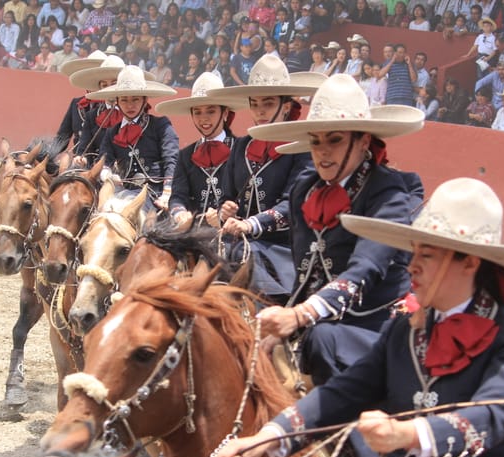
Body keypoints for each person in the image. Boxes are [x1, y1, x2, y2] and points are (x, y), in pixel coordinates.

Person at [207, 176, 504, 457]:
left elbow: (494, 415)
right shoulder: (402, 331)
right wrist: (270, 435)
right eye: (414, 252)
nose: (411, 267)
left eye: (427, 255)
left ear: (469, 262)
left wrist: (409, 434)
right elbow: (345, 392)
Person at [242, 73, 425, 393]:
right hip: (314, 324)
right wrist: (287, 321)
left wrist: (300, 316)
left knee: (323, 340)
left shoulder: (390, 193)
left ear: (363, 141)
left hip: (373, 324)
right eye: (316, 140)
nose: (322, 151)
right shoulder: (305, 189)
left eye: (335, 139)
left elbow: (365, 269)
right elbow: (306, 272)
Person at [204, 54, 324, 304]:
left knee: (249, 261)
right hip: (237, 240)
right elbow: (227, 194)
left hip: (282, 248)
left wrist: (251, 224)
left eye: (267, 104)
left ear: (287, 106)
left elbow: (293, 203)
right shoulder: (242, 145)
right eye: (255, 104)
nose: (259, 111)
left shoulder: (302, 148)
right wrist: (225, 210)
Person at [155, 72, 248, 227]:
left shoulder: (242, 150)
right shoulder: (185, 155)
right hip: (194, 231)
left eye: (210, 111)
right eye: (197, 112)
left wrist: (228, 214)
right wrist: (180, 213)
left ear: (225, 113)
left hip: (231, 229)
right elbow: (178, 196)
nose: (203, 118)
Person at [88, 65, 179, 210]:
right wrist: (107, 174)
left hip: (156, 194)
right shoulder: (112, 132)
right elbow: (104, 161)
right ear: (117, 101)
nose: (130, 105)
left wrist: (168, 191)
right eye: (124, 100)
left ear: (145, 100)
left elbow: (171, 158)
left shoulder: (160, 125)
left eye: (135, 99)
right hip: (125, 192)